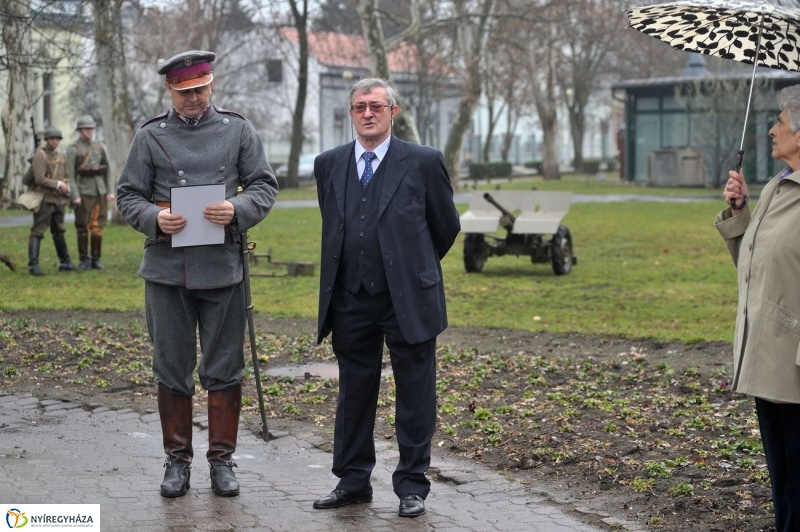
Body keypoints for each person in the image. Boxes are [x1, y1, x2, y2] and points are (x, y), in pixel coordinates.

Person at [116, 50, 278, 499]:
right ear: (170, 90)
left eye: (201, 90)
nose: (194, 99)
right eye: (185, 92)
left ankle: (222, 461)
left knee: (225, 367)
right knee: (171, 366)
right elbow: (127, 195)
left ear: (212, 85)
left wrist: (236, 209)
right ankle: (177, 462)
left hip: (223, 268)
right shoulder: (150, 135)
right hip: (167, 271)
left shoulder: (237, 129)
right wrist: (153, 217)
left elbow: (264, 185)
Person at [312, 78, 461, 518]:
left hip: (408, 298)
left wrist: (411, 266)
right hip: (350, 297)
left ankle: (412, 485)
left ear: (393, 111)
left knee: (415, 393)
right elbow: (336, 224)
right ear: (351, 113)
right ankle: (353, 480)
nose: (368, 113)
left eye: (377, 106)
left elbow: (446, 226)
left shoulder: (424, 162)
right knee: (354, 393)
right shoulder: (329, 164)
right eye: (359, 107)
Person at [716, 84, 800, 532]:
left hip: (796, 365)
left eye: (781, 122)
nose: (771, 129)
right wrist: (740, 210)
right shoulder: (776, 188)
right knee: (783, 483)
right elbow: (754, 266)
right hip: (768, 357)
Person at [27, 126, 78, 276]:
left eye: (57, 139)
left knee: (59, 230)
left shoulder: (61, 154)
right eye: (51, 139)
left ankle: (65, 262)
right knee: (38, 230)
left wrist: (66, 186)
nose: (54, 141)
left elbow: (67, 175)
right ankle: (33, 265)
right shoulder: (40, 155)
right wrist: (57, 184)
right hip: (44, 199)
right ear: (47, 140)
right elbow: (39, 178)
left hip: (59, 199)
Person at [66, 114, 112, 270]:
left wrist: (110, 191)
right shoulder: (73, 149)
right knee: (82, 225)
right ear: (80, 130)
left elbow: (108, 169)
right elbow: (70, 174)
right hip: (83, 190)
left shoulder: (99, 146)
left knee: (98, 225)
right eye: (87, 129)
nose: (90, 132)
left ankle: (96, 259)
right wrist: (75, 195)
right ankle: (84, 259)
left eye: (92, 129)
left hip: (100, 190)